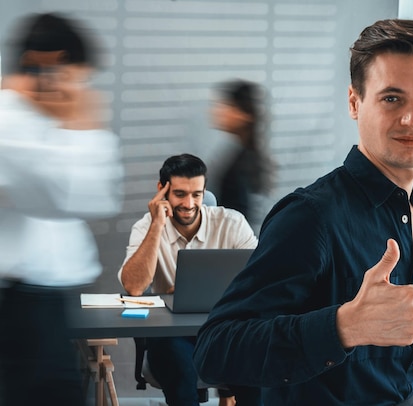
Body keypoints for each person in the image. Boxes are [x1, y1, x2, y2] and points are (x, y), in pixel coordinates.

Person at [193, 19, 413, 406]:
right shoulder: (311, 216)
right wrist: (346, 326)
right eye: (392, 98)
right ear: (354, 102)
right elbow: (216, 350)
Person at [0, 12, 124, 406]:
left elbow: (101, 195)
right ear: (49, 62)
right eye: (79, 74)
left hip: (48, 304)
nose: (84, 88)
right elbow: (68, 196)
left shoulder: (46, 121)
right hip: (20, 304)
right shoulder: (10, 117)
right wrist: (82, 122)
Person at [118, 153, 258, 406]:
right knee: (181, 381)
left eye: (197, 194)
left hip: (225, 329)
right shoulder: (146, 227)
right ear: (162, 191)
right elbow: (134, 286)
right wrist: (158, 225)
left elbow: (259, 279)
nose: (190, 203)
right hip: (173, 336)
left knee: (257, 381)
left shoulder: (232, 223)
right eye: (180, 194)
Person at [209, 79, 274, 225]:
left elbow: (241, 222)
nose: (217, 110)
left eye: (226, 105)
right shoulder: (241, 155)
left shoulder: (244, 164)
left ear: (243, 115)